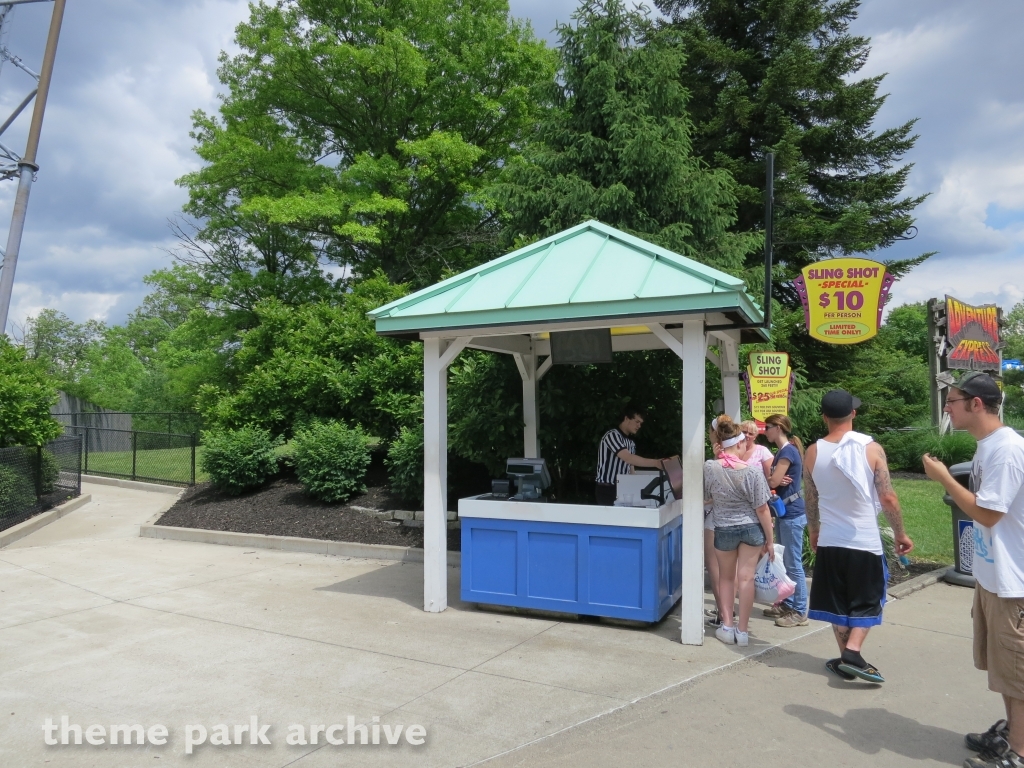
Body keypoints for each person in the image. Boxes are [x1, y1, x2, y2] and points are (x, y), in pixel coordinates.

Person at [923, 372, 1024, 768]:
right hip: (993, 574)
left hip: (1013, 580)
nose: (947, 407)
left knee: (1016, 670)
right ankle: (1012, 733)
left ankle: (1018, 752)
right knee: (1002, 667)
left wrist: (945, 477)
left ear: (976, 404)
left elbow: (988, 512)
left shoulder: (1007, 450)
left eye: (952, 401)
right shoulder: (987, 446)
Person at [804, 389, 913, 683]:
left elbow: (810, 498)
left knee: (838, 603)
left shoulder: (812, 452)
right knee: (868, 599)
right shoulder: (872, 449)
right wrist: (900, 533)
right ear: (853, 414)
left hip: (830, 540)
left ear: (824, 417)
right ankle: (852, 651)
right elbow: (888, 497)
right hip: (863, 541)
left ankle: (844, 661)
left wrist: (814, 529)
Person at [704, 415, 774, 646]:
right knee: (746, 579)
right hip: (751, 529)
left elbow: (708, 497)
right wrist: (770, 540)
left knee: (726, 578)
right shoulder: (752, 472)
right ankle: (743, 632)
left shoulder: (710, 467)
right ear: (740, 443)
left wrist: (716, 458)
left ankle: (727, 626)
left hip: (723, 527)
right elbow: (762, 509)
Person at [762, 414, 808, 628]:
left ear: (778, 427)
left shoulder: (787, 451)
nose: (765, 431)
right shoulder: (783, 451)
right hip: (785, 512)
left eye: (768, 427)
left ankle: (799, 610)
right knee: (786, 560)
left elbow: (774, 481)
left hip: (791, 513)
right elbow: (774, 480)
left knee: (793, 563)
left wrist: (772, 478)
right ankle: (788, 603)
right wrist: (773, 478)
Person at [595, 405, 667, 506]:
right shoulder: (612, 435)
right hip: (607, 489)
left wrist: (634, 486)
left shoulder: (630, 442)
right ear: (626, 418)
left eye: (641, 423)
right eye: (637, 422)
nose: (639, 426)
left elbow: (631, 467)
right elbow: (628, 458)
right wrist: (655, 463)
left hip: (623, 489)